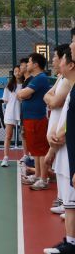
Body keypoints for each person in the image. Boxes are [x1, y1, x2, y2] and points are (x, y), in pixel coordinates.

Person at [43, 46, 75, 254]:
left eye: (60, 58)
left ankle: (71, 244)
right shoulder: (68, 86)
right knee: (70, 205)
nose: (57, 61)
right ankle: (70, 242)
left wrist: (59, 136)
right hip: (64, 151)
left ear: (70, 64)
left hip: (69, 153)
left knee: (71, 203)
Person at [43, 45, 71, 210]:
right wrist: (50, 99)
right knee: (59, 167)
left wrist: (51, 99)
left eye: (55, 57)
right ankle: (63, 200)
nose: (53, 60)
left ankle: (67, 203)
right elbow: (47, 96)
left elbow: (54, 102)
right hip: (56, 133)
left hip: (62, 134)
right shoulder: (60, 78)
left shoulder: (67, 81)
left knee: (66, 169)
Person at [18, 53, 51, 190]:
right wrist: (25, 94)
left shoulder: (40, 78)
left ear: (36, 64)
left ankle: (43, 179)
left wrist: (25, 94)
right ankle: (37, 175)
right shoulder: (35, 79)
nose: (27, 64)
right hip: (30, 119)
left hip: (37, 119)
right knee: (35, 150)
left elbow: (22, 94)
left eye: (30, 62)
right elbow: (21, 95)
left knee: (41, 150)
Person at [1, 66, 22, 167]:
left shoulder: (26, 85)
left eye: (19, 71)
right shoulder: (9, 86)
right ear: (13, 73)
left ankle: (26, 156)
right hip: (10, 113)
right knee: (8, 136)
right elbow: (5, 100)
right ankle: (5, 158)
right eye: (15, 71)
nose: (17, 73)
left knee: (24, 135)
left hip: (22, 112)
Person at [19, 57, 32, 163]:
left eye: (22, 65)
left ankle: (31, 155)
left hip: (30, 113)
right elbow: (20, 97)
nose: (20, 67)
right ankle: (25, 154)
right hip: (23, 112)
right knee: (23, 133)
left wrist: (21, 95)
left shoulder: (31, 80)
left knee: (29, 134)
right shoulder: (24, 81)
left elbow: (26, 96)